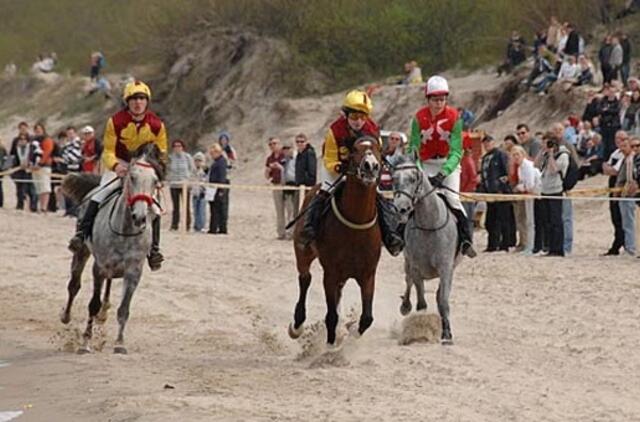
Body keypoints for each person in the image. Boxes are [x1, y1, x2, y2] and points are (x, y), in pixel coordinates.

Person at [68, 80, 168, 271]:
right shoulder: (115, 121)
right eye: (134, 99)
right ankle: (81, 235)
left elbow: (162, 154)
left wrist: (157, 172)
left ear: (147, 102)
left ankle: (154, 251)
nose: (138, 103)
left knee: (154, 208)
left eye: (141, 99)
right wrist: (116, 166)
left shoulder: (157, 125)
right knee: (97, 196)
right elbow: (107, 151)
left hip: (142, 170)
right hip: (120, 165)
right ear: (127, 102)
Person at [299, 90, 404, 256]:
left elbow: (377, 155)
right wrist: (340, 168)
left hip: (360, 171)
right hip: (336, 167)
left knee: (379, 195)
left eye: (362, 117)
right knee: (324, 191)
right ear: (346, 115)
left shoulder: (373, 129)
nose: (359, 121)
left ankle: (390, 235)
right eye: (354, 117)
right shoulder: (335, 130)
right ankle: (309, 228)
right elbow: (329, 158)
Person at [407, 76, 476, 257]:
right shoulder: (418, 118)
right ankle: (400, 238)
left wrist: (444, 172)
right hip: (425, 164)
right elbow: (413, 148)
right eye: (435, 99)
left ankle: (466, 240)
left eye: (442, 99)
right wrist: (419, 170)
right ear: (428, 99)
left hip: (448, 164)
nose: (439, 103)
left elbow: (456, 151)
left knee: (453, 199)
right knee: (411, 201)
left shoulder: (454, 117)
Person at [536, 133, 569, 257]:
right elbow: (536, 165)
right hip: (545, 189)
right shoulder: (544, 153)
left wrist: (551, 154)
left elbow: (553, 169)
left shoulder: (563, 155)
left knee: (556, 221)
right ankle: (549, 247)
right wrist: (541, 151)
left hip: (556, 190)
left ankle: (558, 248)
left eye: (546, 143)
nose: (544, 146)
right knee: (546, 220)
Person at [478, 135, 512, 252]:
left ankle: (505, 244)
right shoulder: (485, 158)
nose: (487, 145)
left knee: (503, 219)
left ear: (493, 142)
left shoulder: (500, 154)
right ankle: (492, 244)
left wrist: (502, 185)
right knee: (490, 220)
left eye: (489, 142)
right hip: (489, 192)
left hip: (500, 192)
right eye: (485, 143)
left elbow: (507, 172)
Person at [602, 131, 628, 255]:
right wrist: (608, 169)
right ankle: (618, 242)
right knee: (615, 216)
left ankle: (623, 243)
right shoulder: (615, 153)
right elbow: (605, 167)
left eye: (622, 139)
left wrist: (609, 169)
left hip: (622, 187)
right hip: (612, 185)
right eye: (617, 138)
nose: (619, 141)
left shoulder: (626, 154)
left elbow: (615, 170)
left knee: (623, 217)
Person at [511, 145, 540, 255]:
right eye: (514, 155)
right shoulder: (519, 168)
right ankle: (527, 244)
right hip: (526, 194)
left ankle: (531, 246)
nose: (516, 157)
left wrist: (520, 187)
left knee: (531, 221)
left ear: (523, 154)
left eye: (518, 154)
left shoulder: (527, 166)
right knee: (527, 221)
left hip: (533, 194)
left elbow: (530, 184)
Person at [614, 136, 638, 256]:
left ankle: (631, 247)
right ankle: (629, 245)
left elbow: (630, 178)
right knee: (626, 222)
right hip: (623, 193)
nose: (623, 149)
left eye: (626, 146)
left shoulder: (631, 160)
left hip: (629, 194)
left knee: (629, 222)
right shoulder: (626, 159)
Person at [167, 139, 194, 231]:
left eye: (179, 146)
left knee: (186, 206)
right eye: (175, 146)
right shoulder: (170, 158)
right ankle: (174, 225)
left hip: (185, 185)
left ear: (182, 147)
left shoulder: (187, 157)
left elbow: (191, 169)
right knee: (175, 207)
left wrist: (188, 179)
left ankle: (187, 225)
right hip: (174, 185)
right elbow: (168, 170)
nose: (177, 148)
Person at [264, 137, 288, 239]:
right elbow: (267, 176)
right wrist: (269, 170)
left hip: (287, 185)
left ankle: (290, 232)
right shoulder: (270, 158)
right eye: (270, 144)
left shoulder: (285, 156)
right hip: (276, 184)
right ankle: (281, 233)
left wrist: (280, 167)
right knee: (279, 210)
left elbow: (290, 170)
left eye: (274, 143)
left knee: (290, 209)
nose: (272, 146)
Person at [30, 123, 55, 213]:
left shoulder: (47, 140)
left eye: (39, 129)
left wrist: (40, 163)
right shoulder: (33, 140)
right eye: (36, 129)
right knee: (38, 187)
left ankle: (44, 207)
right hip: (34, 166)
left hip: (44, 166)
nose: (37, 131)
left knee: (45, 186)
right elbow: (31, 153)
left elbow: (47, 152)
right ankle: (41, 206)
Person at [459, 135, 479, 242]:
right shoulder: (462, 160)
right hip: (460, 192)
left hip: (466, 194)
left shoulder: (467, 161)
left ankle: (468, 240)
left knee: (467, 218)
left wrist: (465, 192)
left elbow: (473, 179)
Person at [61, 126, 83, 216]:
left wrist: (66, 159)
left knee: (74, 190)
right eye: (68, 134)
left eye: (71, 133)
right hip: (68, 168)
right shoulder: (67, 145)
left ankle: (74, 210)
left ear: (75, 133)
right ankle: (69, 209)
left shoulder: (78, 143)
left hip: (76, 169)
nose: (70, 135)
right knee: (67, 189)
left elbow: (77, 157)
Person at [207, 143, 229, 234]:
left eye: (213, 153)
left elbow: (221, 176)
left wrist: (221, 190)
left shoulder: (221, 162)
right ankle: (214, 227)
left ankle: (220, 228)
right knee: (214, 208)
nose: (212, 155)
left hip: (218, 187)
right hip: (213, 187)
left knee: (219, 209)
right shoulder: (217, 161)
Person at [191, 152, 208, 233]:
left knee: (202, 211)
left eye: (200, 161)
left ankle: (202, 226)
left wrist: (203, 190)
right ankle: (196, 226)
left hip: (202, 193)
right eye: (196, 161)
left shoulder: (205, 171)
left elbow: (206, 182)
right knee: (195, 210)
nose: (198, 162)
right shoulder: (192, 171)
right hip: (195, 192)